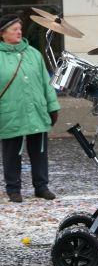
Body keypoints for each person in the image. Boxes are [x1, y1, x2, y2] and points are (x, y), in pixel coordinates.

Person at [0, 14, 60, 203]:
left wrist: (53, 106)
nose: (19, 32)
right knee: (12, 152)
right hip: (10, 112)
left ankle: (41, 187)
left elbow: (46, 83)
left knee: (39, 151)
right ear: (2, 34)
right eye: (14, 29)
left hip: (36, 110)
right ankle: (13, 189)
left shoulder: (33, 53)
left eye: (20, 28)